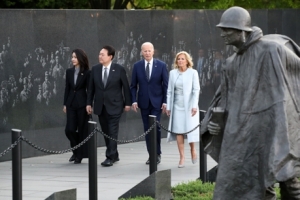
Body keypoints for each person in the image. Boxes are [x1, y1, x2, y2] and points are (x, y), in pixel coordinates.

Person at [200, 6, 300, 200]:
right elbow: (225, 99)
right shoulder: (231, 63)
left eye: (227, 30)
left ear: (242, 31)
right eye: (222, 30)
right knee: (257, 183)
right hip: (245, 133)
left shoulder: (272, 49)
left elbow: (295, 79)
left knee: (288, 180)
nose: (223, 34)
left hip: (275, 125)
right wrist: (214, 122)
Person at [86, 45, 131, 167]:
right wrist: (88, 103)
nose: (100, 56)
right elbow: (91, 88)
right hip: (101, 106)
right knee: (106, 131)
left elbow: (125, 87)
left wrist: (128, 103)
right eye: (99, 54)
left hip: (115, 105)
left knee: (112, 131)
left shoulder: (119, 69)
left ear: (110, 57)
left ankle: (110, 157)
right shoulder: (95, 69)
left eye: (102, 54)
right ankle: (114, 154)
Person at [130, 42, 168, 165]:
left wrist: (165, 102)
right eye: (145, 51)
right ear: (141, 52)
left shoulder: (161, 65)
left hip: (157, 102)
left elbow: (166, 85)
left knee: (156, 127)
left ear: (153, 51)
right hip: (144, 102)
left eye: (149, 51)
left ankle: (157, 153)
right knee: (147, 129)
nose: (147, 53)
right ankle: (151, 154)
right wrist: (134, 100)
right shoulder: (137, 66)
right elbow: (133, 85)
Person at [166, 51, 200, 168]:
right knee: (179, 131)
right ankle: (182, 157)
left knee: (189, 129)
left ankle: (193, 150)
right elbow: (170, 91)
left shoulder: (193, 73)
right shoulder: (172, 73)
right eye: (178, 59)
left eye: (182, 59)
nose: (180, 61)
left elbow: (196, 90)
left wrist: (194, 105)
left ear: (187, 61)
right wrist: (169, 107)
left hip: (190, 105)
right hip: (176, 106)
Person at [63, 49, 90, 164]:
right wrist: (65, 104)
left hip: (82, 104)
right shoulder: (69, 71)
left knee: (83, 130)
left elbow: (90, 90)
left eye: (75, 57)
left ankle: (78, 155)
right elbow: (67, 89)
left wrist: (89, 104)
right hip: (71, 104)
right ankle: (76, 150)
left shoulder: (87, 72)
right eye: (72, 57)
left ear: (80, 58)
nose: (72, 59)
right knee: (69, 129)